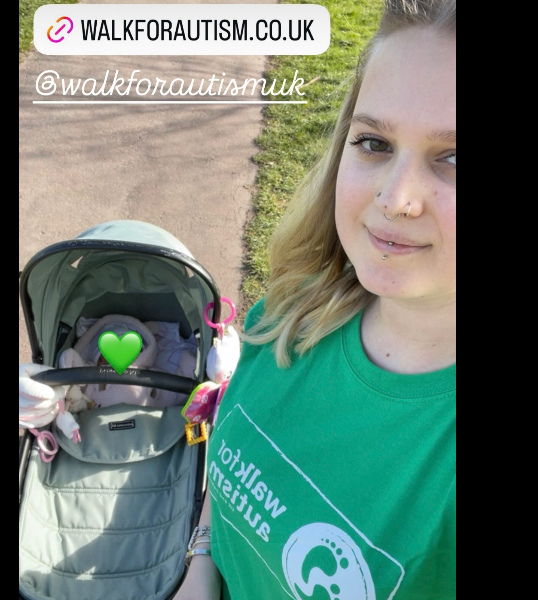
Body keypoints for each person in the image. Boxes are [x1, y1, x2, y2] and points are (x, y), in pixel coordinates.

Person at [175, 0, 456, 598]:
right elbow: (233, 457)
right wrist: (202, 561)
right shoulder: (293, 309)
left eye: (453, 158)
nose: (396, 198)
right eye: (375, 142)